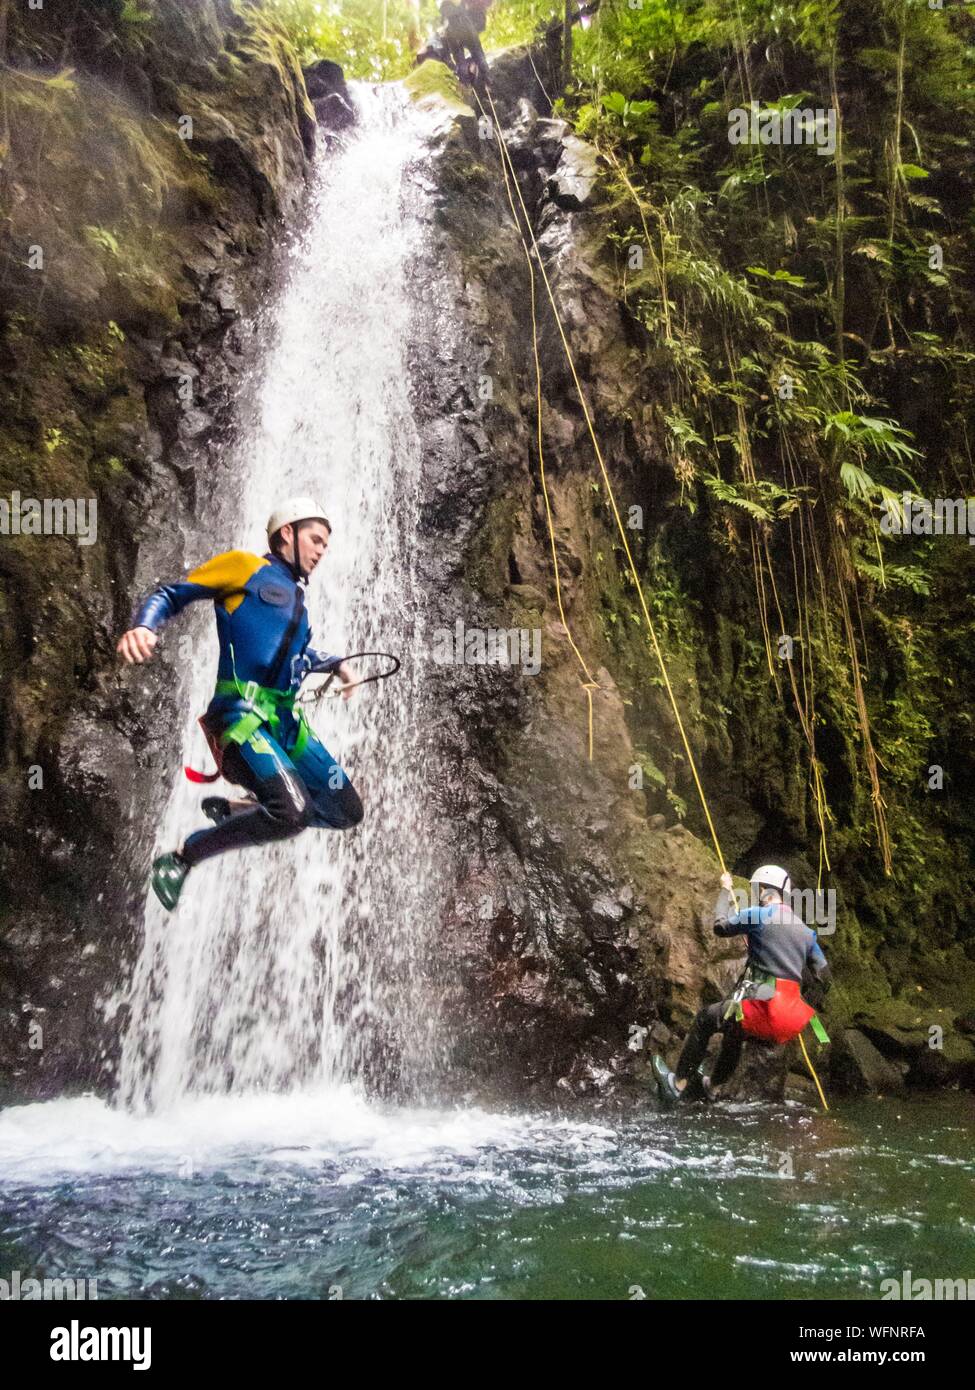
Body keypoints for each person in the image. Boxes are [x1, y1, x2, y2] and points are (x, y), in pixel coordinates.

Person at [117, 498, 363, 911]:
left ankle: (244, 807)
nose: (321, 551)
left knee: (345, 809)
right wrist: (144, 624)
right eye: (316, 540)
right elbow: (172, 593)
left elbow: (299, 654)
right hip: (241, 720)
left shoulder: (298, 605)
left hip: (287, 727)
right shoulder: (243, 567)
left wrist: (335, 664)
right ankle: (183, 857)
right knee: (293, 812)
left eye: (326, 545)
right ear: (288, 533)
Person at [652, 864, 831, 1104]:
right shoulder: (806, 932)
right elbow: (824, 977)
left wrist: (726, 891)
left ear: (764, 889)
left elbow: (720, 927)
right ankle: (712, 1088)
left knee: (706, 1018)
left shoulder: (758, 915)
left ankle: (678, 1084)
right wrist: (800, 1000)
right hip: (790, 1019)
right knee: (734, 1030)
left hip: (764, 1009)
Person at [439, 0, 490, 85]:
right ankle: (487, 79)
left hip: (453, 35)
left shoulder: (444, 5)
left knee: (460, 61)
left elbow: (443, 23)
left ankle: (466, 84)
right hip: (468, 31)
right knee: (478, 54)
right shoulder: (462, 3)